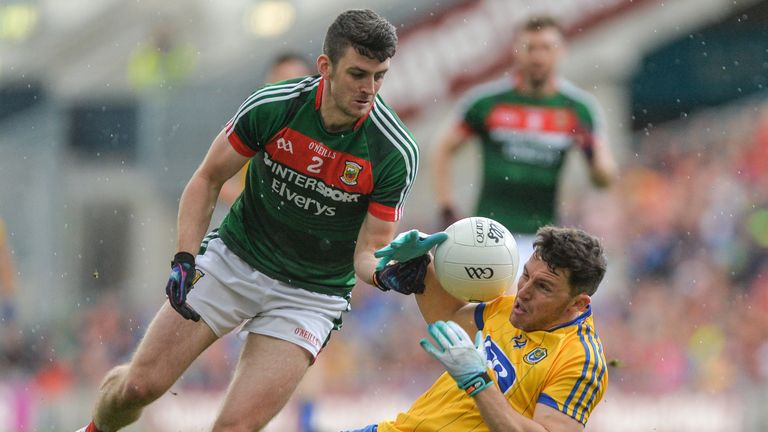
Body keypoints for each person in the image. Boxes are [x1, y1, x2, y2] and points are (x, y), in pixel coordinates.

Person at [77, 9, 436, 432]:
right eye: (358, 74)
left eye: (379, 76)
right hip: (234, 261)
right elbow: (208, 179)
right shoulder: (276, 105)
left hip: (311, 296)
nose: (368, 89)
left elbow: (369, 252)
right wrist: (183, 258)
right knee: (137, 388)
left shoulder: (394, 150)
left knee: (234, 429)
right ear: (325, 66)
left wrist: (388, 275)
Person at [353, 225, 608, 431]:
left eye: (544, 287)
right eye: (526, 275)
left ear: (578, 303)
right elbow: (449, 319)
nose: (524, 292)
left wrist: (478, 382)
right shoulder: (509, 308)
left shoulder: (582, 360)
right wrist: (423, 266)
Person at [430, 15, 617, 267]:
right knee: (486, 307)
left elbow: (604, 179)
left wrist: (591, 152)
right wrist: (446, 206)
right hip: (489, 234)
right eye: (531, 48)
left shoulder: (578, 108)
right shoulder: (487, 102)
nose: (538, 57)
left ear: (561, 52)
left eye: (546, 48)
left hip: (543, 241)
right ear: (516, 51)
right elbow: (442, 148)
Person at [218, 52, 312, 205]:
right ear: (267, 85)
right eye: (282, 82)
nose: (290, 92)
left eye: (298, 83)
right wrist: (260, 207)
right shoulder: (253, 127)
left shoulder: (324, 136)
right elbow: (215, 179)